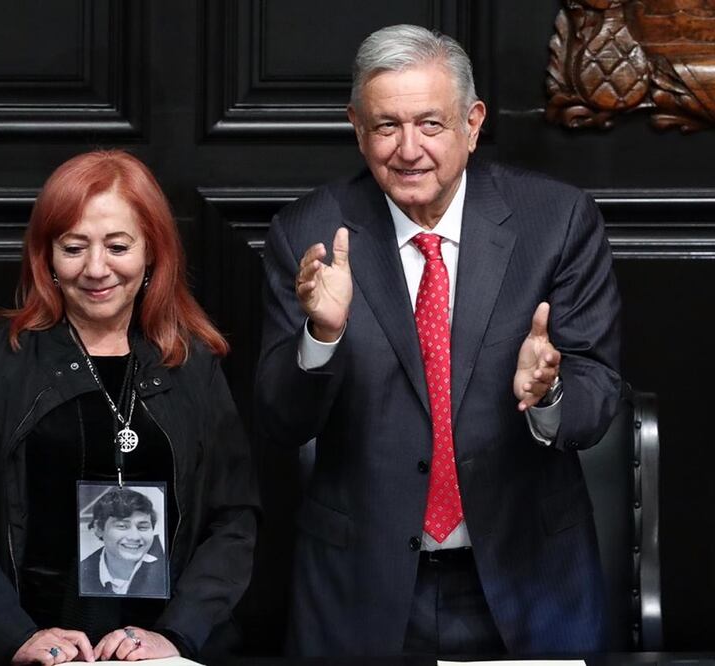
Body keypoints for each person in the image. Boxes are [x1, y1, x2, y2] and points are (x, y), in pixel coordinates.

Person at [255, 24, 621, 657]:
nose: (408, 149)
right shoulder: (308, 234)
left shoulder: (556, 221)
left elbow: (597, 395)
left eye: (430, 124)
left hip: (531, 579)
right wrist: (323, 334)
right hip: (360, 589)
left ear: (472, 124)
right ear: (357, 128)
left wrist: (550, 391)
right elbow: (280, 422)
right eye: (386, 126)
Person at [0, 150, 259, 665]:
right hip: (19, 644)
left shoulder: (193, 364)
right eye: (74, 247)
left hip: (158, 648)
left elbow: (233, 522)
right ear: (47, 257)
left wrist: (176, 636)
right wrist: (17, 637)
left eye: (118, 246)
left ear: (152, 252)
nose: (96, 269)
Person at [79, 487, 167, 598]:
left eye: (143, 527)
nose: (134, 537)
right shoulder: (81, 573)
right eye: (122, 526)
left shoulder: (166, 570)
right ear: (99, 529)